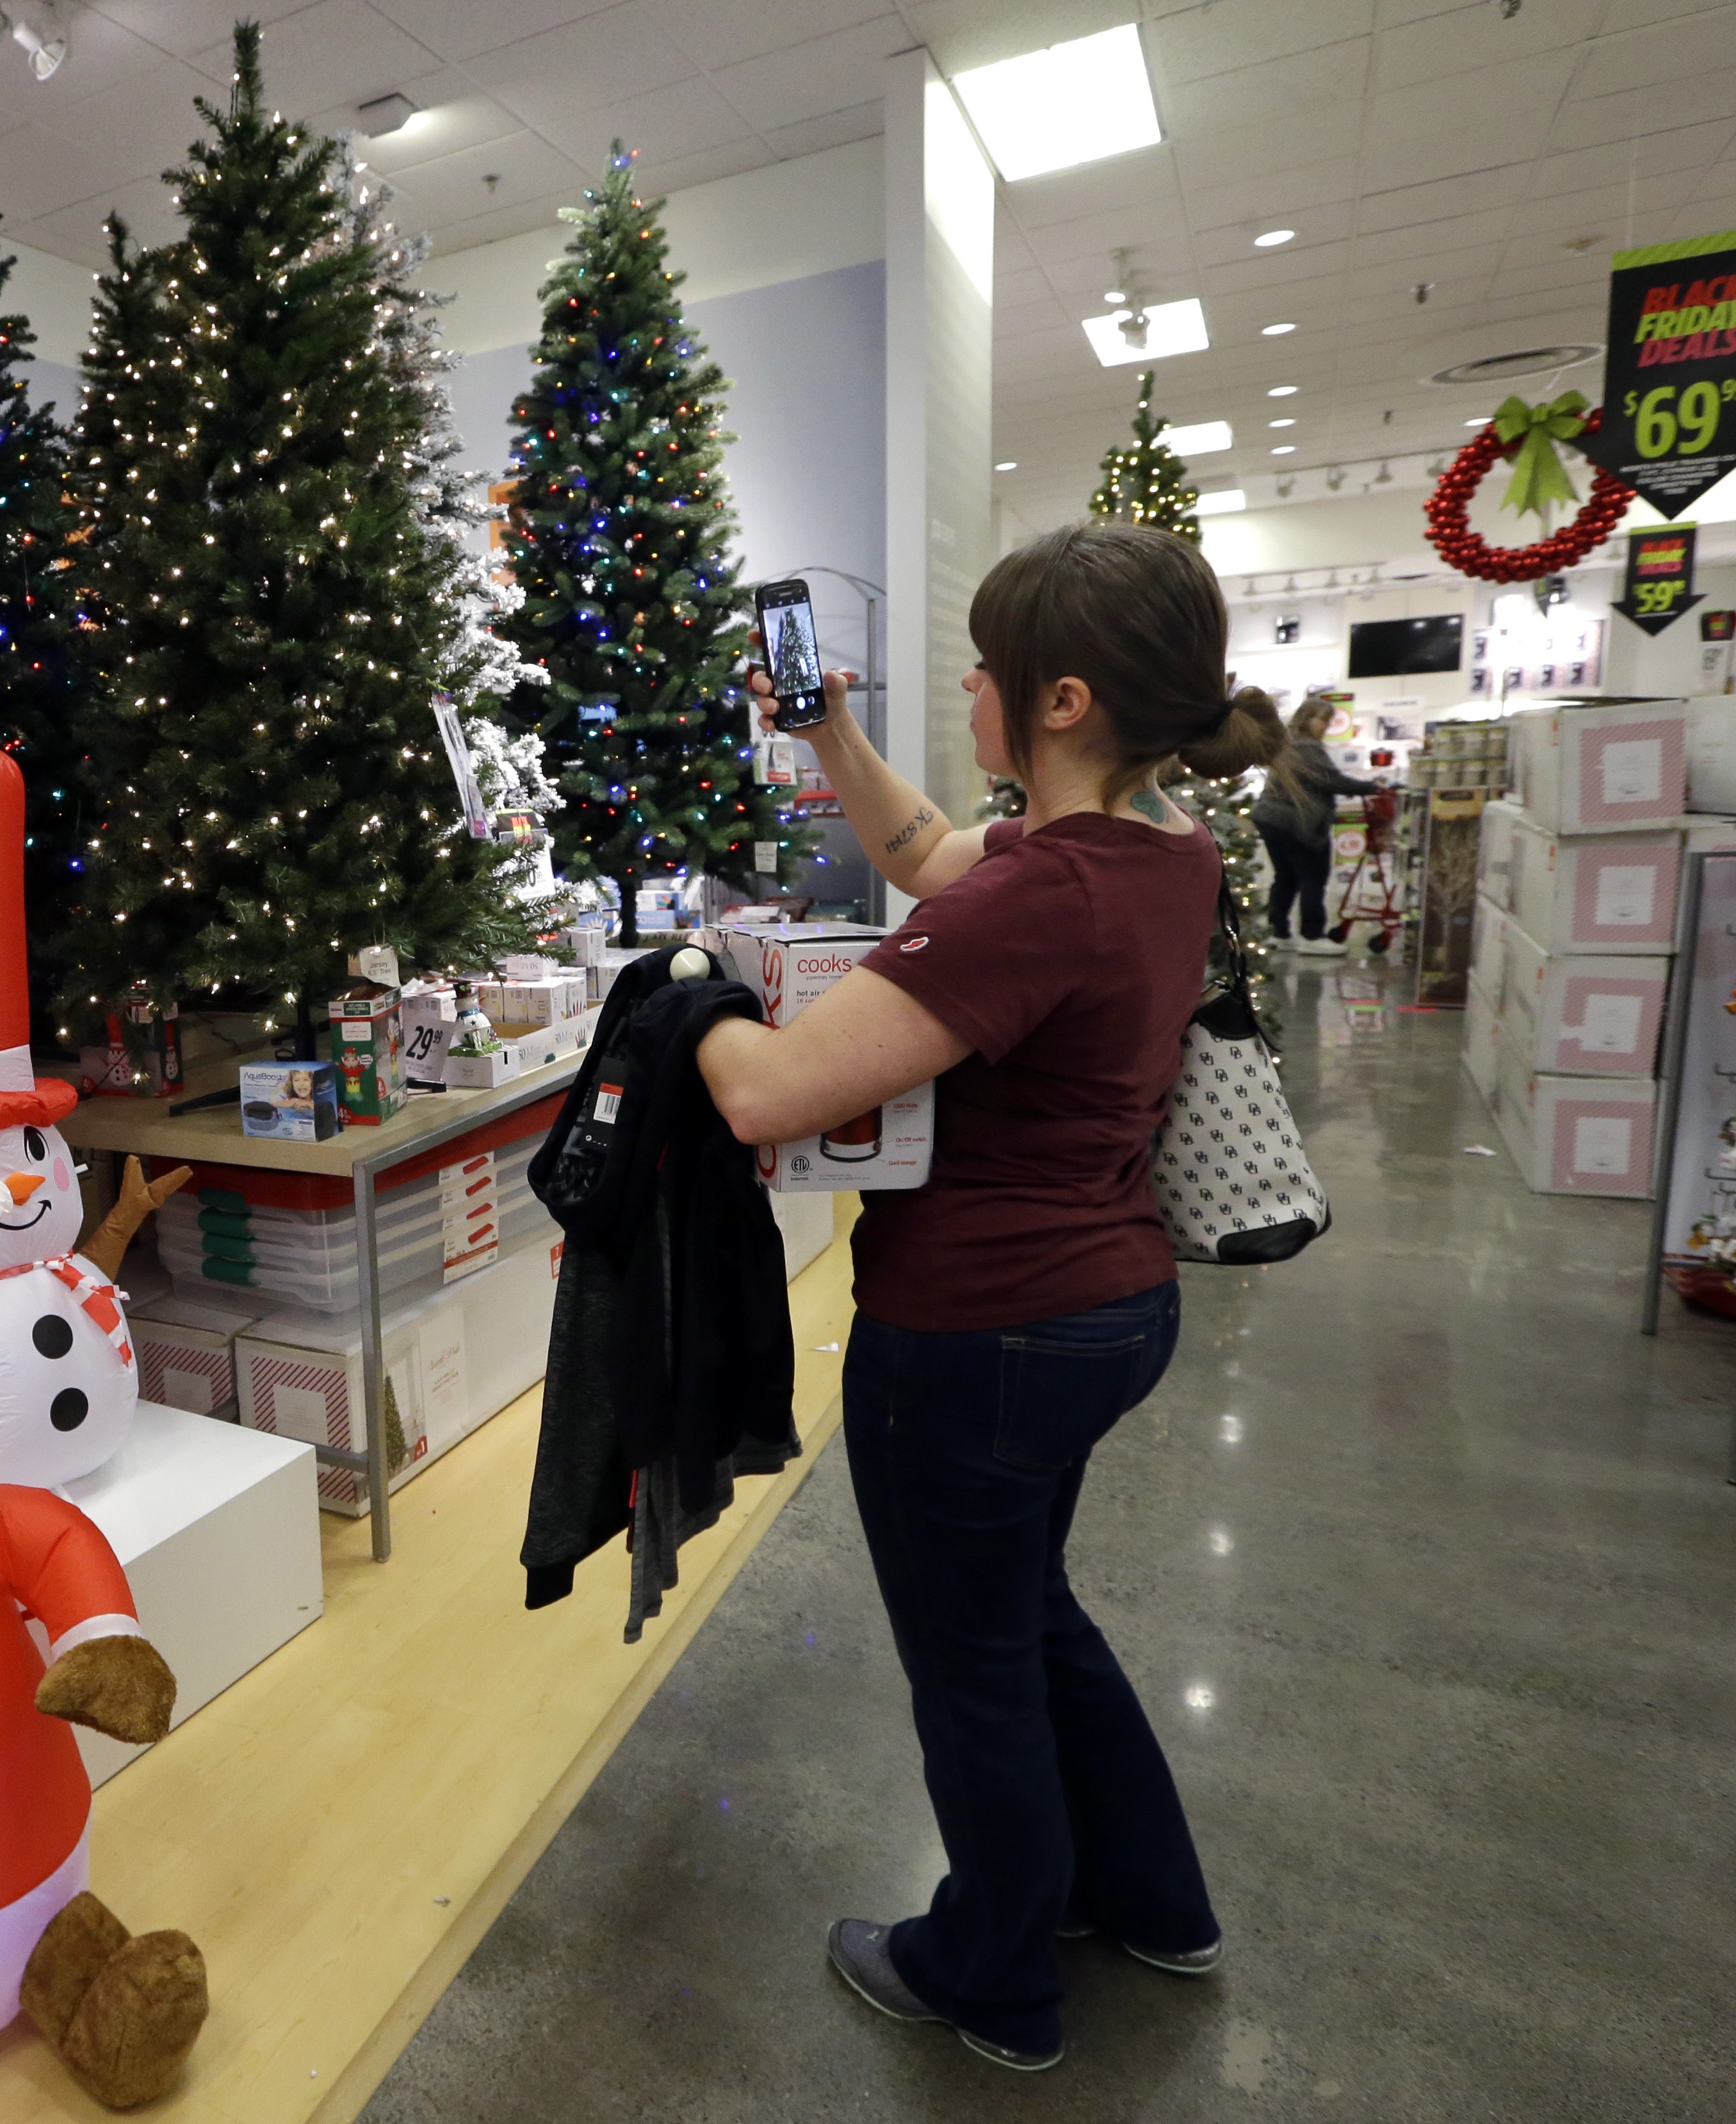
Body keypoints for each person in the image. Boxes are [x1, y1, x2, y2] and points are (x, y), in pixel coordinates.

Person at [697, 521, 1288, 2072]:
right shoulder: (1154, 853)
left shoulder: (1038, 899)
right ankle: (1148, 1894)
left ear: (1063, 698)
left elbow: (765, 1095)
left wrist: (682, 991)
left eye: (987, 667)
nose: (967, 684)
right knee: (1027, 1613)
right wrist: (828, 730)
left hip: (974, 1335)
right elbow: (920, 856)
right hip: (1101, 1306)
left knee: (970, 1663)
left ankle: (988, 1969)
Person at [1252, 691, 1383, 955]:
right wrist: (1373, 787)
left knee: (1286, 877)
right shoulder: (1307, 748)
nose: (1327, 726)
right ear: (1308, 719)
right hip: (1296, 822)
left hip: (1271, 819)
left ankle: (1278, 933)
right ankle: (1312, 936)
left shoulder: (1287, 745)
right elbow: (1331, 780)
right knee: (1313, 876)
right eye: (1324, 720)